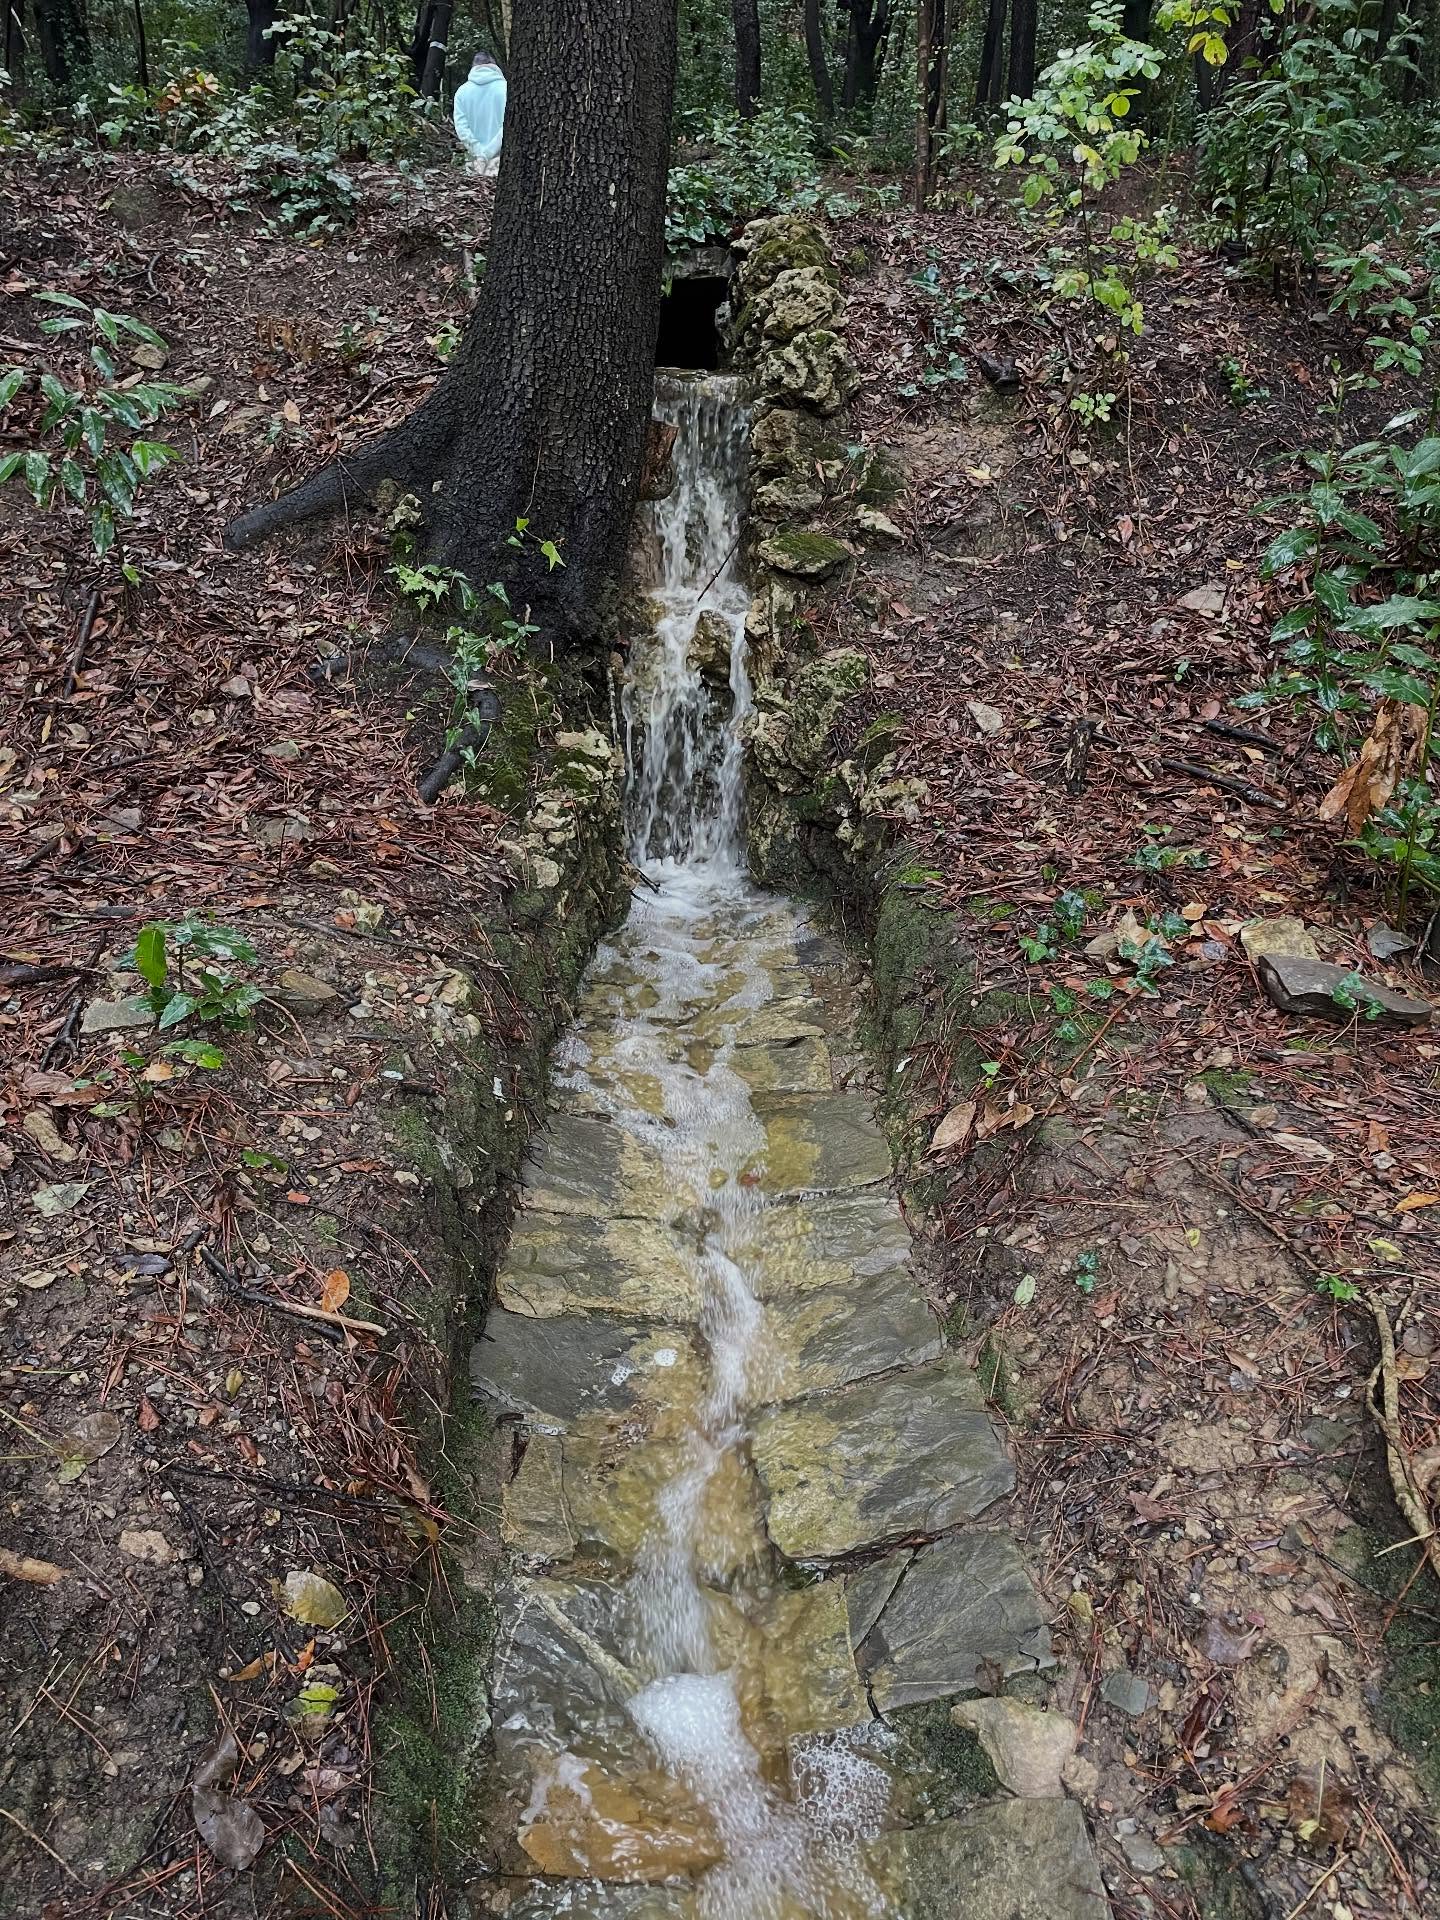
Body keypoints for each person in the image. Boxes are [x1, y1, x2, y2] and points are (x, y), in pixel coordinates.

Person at [453, 52, 507, 177]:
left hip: (475, 163)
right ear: (494, 66)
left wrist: (479, 152)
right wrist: (489, 152)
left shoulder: (462, 92)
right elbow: (510, 124)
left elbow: (461, 128)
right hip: (502, 162)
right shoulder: (507, 89)